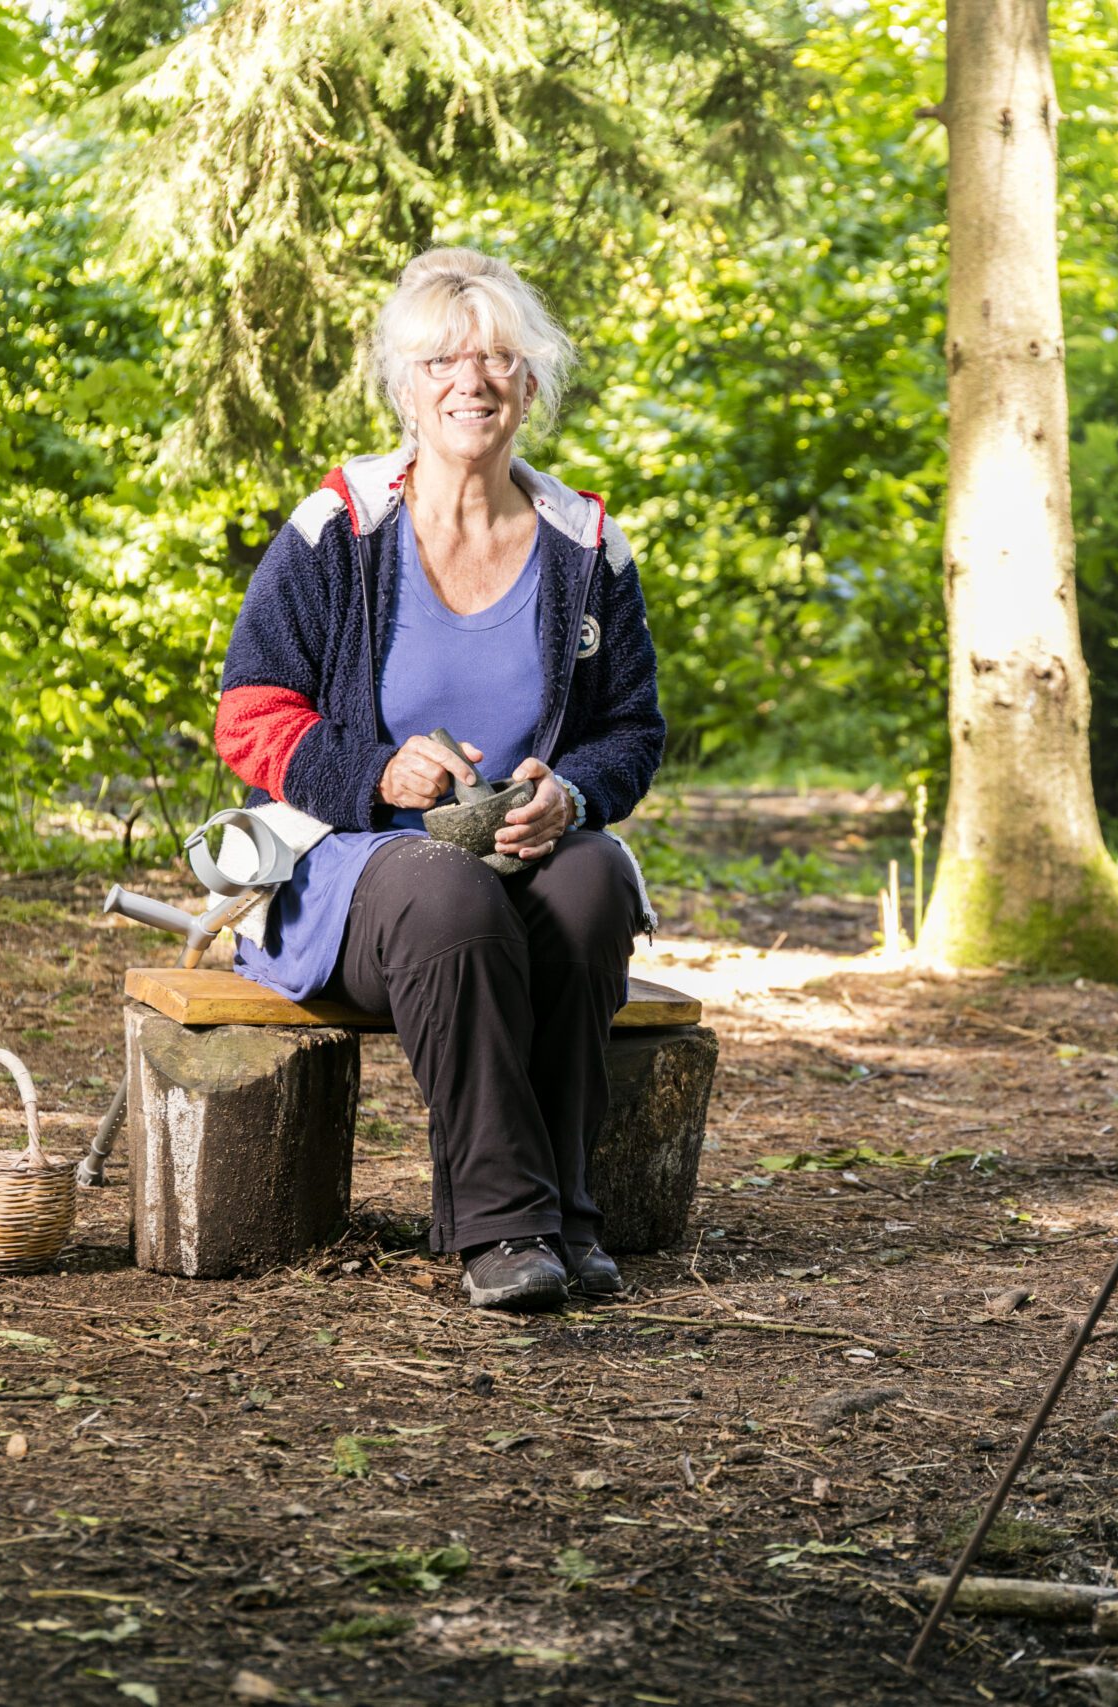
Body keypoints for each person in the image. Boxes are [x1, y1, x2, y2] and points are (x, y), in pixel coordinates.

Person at [211, 248, 663, 1313]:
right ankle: (508, 1227)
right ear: (403, 386)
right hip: (356, 869)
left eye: (500, 357)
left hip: (522, 853)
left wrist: (576, 795)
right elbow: (251, 712)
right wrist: (378, 772)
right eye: (443, 360)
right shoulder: (340, 530)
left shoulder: (584, 547)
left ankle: (568, 1214)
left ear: (533, 383)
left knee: (596, 881)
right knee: (449, 892)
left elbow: (631, 730)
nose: (473, 379)